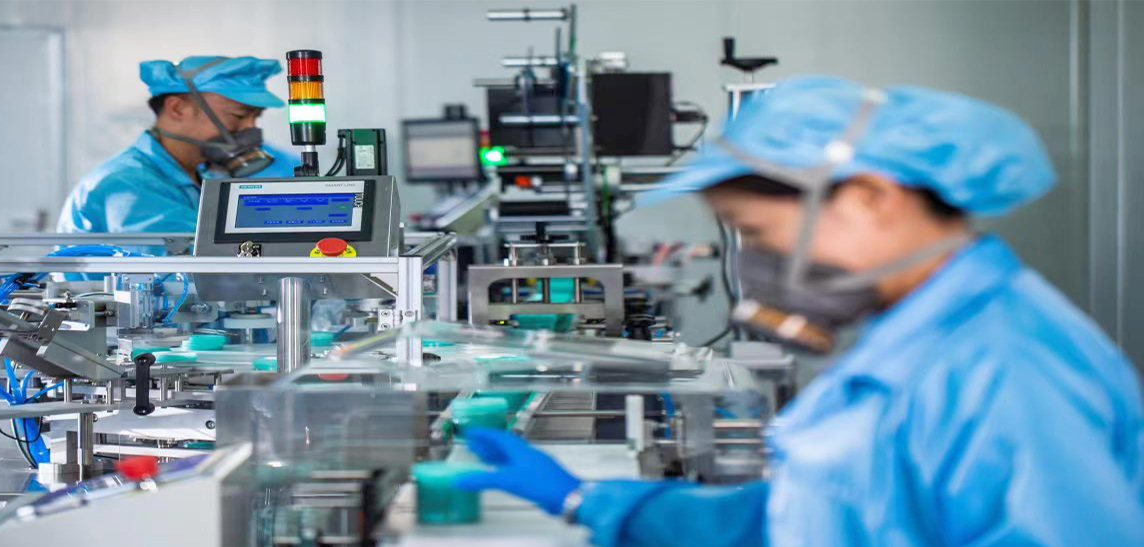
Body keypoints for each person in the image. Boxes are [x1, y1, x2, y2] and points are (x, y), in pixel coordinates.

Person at [454, 76, 1144, 546]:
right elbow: (808, 518)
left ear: (870, 198)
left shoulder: (1004, 367)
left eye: (757, 234)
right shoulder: (913, 341)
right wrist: (589, 501)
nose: (754, 263)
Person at [57, 55, 299, 239]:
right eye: (239, 115)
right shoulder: (129, 185)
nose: (250, 128)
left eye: (255, 117)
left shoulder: (201, 175)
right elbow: (184, 271)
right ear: (177, 108)